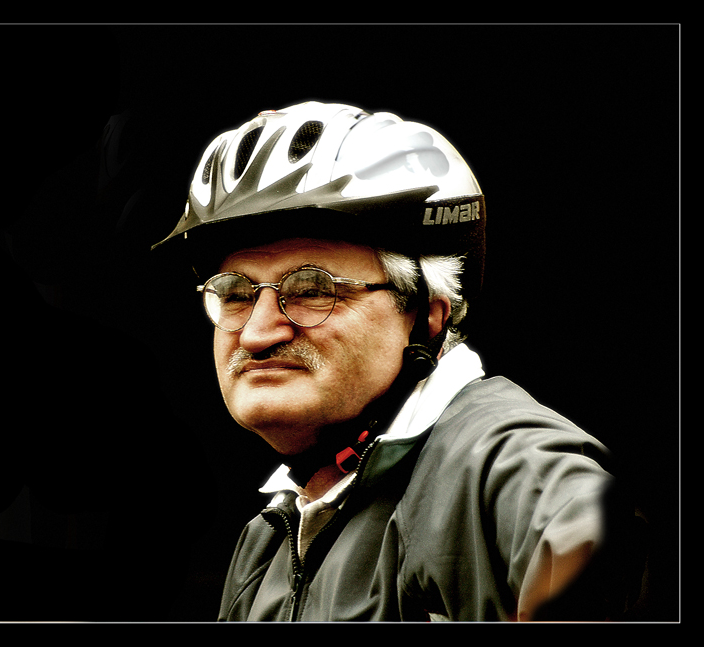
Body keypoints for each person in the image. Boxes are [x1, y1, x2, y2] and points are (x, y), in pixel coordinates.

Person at [151, 102, 645, 621]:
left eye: (313, 289)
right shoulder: (265, 543)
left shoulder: (496, 459)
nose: (256, 333)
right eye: (234, 294)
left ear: (428, 316)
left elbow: (596, 531)